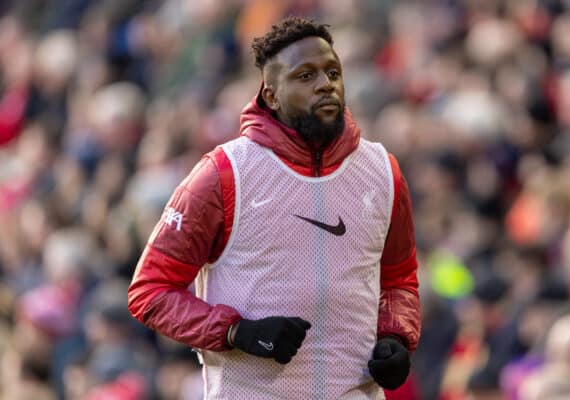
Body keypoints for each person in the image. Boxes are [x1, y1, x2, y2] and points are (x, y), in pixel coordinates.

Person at [128, 16, 421, 399]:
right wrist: (236, 332)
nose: (325, 85)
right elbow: (150, 291)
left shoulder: (384, 171)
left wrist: (396, 335)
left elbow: (399, 278)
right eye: (305, 76)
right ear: (271, 95)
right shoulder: (223, 174)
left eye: (333, 72)